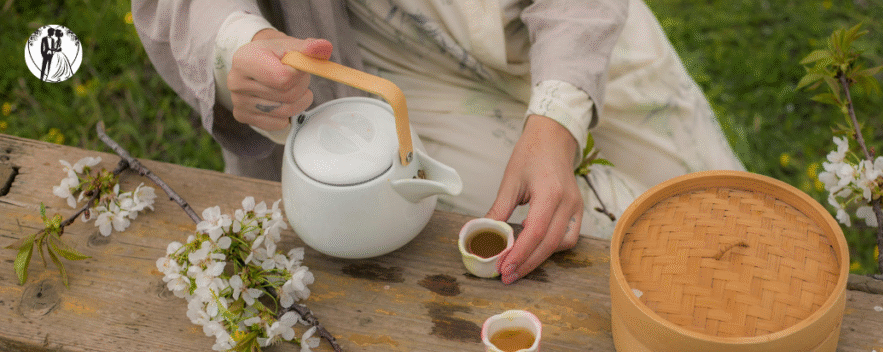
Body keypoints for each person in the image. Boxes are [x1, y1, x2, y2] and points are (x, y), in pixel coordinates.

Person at [132, 0, 743, 284]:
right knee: (563, 243)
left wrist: (558, 117)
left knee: (719, 215)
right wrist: (234, 41)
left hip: (562, 18)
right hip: (372, 48)